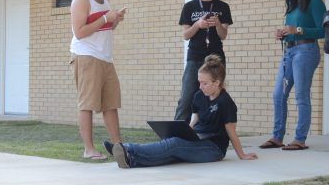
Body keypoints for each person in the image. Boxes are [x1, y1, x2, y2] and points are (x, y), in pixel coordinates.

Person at [109, 55, 257, 168]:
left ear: (217, 83)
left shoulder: (226, 102)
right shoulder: (199, 95)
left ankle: (128, 148)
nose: (200, 86)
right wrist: (187, 130)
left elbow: (231, 132)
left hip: (213, 148)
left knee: (174, 145)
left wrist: (242, 155)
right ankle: (130, 160)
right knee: (172, 151)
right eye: (199, 82)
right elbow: (195, 118)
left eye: (204, 83)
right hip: (197, 139)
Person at [260, 0, 326, 151]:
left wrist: (298, 30)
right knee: (278, 93)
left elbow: (324, 31)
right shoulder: (292, 5)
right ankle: (277, 136)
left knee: (301, 95)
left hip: (306, 51)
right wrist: (283, 34)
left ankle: (300, 138)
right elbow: (293, 30)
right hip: (289, 52)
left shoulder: (315, 2)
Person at [70, 0, 127, 160]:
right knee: (87, 104)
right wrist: (105, 19)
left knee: (111, 103)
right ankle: (89, 149)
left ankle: (119, 147)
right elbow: (79, 33)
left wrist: (115, 20)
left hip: (105, 57)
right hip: (87, 56)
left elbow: (106, 30)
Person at [175, 0, 232, 122]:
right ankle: (177, 136)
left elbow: (223, 35)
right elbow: (185, 35)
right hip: (195, 57)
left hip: (216, 58)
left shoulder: (223, 7)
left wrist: (218, 24)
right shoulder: (189, 7)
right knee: (187, 98)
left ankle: (215, 133)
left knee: (216, 97)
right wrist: (197, 25)